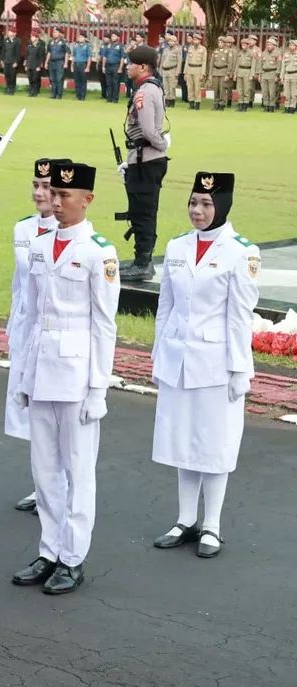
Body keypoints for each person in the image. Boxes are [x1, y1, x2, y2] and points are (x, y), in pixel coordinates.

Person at [11, 161, 119, 596]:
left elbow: (104, 325)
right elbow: (32, 317)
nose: (54, 202)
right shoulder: (39, 246)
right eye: (52, 194)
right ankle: (49, 550)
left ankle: (72, 558)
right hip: (41, 371)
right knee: (43, 470)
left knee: (77, 471)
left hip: (76, 374)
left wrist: (98, 387)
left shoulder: (98, 252)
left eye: (65, 196)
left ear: (87, 199)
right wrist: (22, 374)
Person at [150, 172, 258, 560]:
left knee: (214, 445)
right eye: (193, 202)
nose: (197, 210)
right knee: (182, 441)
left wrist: (239, 370)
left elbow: (240, 317)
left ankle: (211, 524)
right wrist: (158, 354)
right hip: (178, 360)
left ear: (223, 206)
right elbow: (165, 308)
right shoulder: (178, 246)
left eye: (206, 204)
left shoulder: (241, 252)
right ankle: (184, 519)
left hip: (216, 364)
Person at [6, 158, 67, 514]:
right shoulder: (23, 229)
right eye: (36, 185)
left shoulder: (70, 234)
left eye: (47, 187)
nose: (40, 193)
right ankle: (42, 485)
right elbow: (19, 287)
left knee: (55, 413)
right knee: (32, 414)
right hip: (26, 330)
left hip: (55, 335)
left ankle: (60, 485)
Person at [119, 45, 169, 282]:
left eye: (131, 63)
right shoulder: (147, 88)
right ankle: (141, 260)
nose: (127, 67)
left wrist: (161, 145)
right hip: (141, 158)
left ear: (142, 67)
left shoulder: (145, 92)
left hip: (146, 159)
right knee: (140, 211)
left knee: (144, 212)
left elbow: (149, 130)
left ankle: (143, 263)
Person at [256, 37, 281, 112]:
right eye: (267, 45)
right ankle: (266, 105)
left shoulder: (277, 53)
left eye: (270, 45)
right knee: (264, 91)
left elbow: (279, 65)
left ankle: (272, 106)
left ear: (274, 45)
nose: (268, 46)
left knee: (272, 91)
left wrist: (277, 75)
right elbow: (260, 64)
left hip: (273, 73)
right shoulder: (263, 53)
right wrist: (259, 74)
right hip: (264, 73)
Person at [208, 36, 232, 111]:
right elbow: (211, 63)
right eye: (219, 42)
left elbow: (230, 63)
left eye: (221, 42)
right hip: (215, 72)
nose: (220, 44)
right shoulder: (215, 51)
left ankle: (221, 104)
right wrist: (210, 74)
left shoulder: (228, 51)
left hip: (223, 72)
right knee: (216, 89)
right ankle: (216, 103)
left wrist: (227, 74)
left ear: (224, 43)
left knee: (222, 89)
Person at [184, 33, 206, 110]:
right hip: (190, 69)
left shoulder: (203, 49)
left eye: (197, 40)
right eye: (194, 39)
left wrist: (202, 73)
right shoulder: (190, 48)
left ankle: (197, 104)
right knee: (190, 87)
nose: (195, 41)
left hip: (198, 70)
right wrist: (185, 72)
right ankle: (191, 103)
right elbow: (187, 61)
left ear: (200, 41)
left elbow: (204, 62)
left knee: (197, 88)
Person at [159, 32, 182, 108]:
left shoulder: (177, 50)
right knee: (166, 87)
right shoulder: (165, 50)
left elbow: (179, 62)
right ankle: (167, 101)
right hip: (165, 70)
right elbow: (162, 60)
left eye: (172, 41)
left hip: (172, 70)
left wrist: (177, 72)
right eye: (169, 41)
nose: (170, 42)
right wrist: (160, 70)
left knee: (172, 87)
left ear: (175, 42)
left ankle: (172, 102)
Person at [100, 33, 125, 103]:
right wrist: (103, 66)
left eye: (114, 36)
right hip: (108, 66)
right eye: (112, 36)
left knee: (115, 83)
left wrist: (120, 68)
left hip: (116, 66)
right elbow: (104, 56)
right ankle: (109, 98)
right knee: (108, 83)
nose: (113, 37)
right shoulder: (108, 45)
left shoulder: (121, 46)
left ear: (118, 37)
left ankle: (115, 99)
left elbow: (122, 57)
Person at [234, 36, 256, 112]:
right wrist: (235, 74)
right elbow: (237, 64)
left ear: (247, 45)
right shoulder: (239, 53)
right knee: (239, 90)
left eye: (244, 45)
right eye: (242, 44)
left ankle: (245, 105)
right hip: (240, 72)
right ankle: (240, 104)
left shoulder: (251, 53)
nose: (243, 46)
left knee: (246, 90)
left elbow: (253, 64)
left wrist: (251, 75)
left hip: (247, 72)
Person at [46, 29, 68, 99]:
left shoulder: (63, 42)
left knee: (59, 79)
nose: (54, 34)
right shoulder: (50, 42)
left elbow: (67, 52)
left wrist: (66, 63)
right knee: (52, 79)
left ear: (59, 34)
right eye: (53, 32)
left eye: (56, 32)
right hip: (51, 62)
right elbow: (49, 52)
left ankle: (59, 94)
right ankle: (53, 94)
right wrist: (46, 62)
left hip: (60, 62)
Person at [25, 29, 46, 97]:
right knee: (30, 78)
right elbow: (27, 56)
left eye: (33, 37)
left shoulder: (40, 46)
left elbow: (41, 57)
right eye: (31, 37)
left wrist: (39, 66)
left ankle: (35, 91)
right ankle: (31, 91)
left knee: (35, 78)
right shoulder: (29, 46)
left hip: (36, 65)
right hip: (29, 64)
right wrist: (26, 64)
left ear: (37, 38)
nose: (31, 38)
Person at [71, 33, 92, 101]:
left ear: (85, 39)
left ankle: (83, 96)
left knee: (83, 81)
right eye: (79, 37)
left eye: (82, 37)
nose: (80, 38)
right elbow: (73, 56)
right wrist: (72, 65)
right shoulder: (76, 46)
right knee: (77, 81)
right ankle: (78, 95)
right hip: (76, 64)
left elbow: (89, 57)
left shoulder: (87, 46)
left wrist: (88, 67)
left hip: (83, 64)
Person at [1, 27, 20, 95]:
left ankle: (12, 89)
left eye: (10, 32)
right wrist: (2, 60)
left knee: (12, 75)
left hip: (13, 61)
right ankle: (8, 87)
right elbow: (3, 51)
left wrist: (16, 62)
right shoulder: (5, 40)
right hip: (6, 60)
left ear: (14, 33)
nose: (9, 33)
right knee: (6, 74)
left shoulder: (17, 41)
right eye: (8, 32)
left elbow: (18, 53)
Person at [284, 40, 297, 114]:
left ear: (295, 47)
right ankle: (287, 107)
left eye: (292, 45)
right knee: (286, 93)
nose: (291, 46)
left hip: (295, 75)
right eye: (290, 45)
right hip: (287, 74)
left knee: (294, 93)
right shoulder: (286, 54)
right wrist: (282, 76)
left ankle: (292, 108)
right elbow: (283, 66)